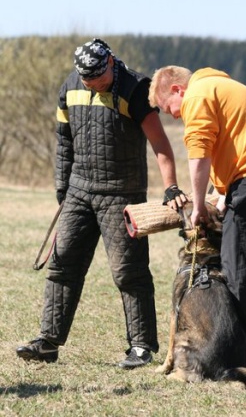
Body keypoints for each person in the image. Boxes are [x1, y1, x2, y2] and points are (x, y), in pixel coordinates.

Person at [16, 39, 187, 369]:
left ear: (110, 62)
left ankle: (141, 346)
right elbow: (64, 142)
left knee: (128, 271)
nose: (92, 84)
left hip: (121, 193)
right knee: (63, 264)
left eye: (97, 78)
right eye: (86, 80)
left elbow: (160, 143)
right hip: (79, 191)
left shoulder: (136, 89)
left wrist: (171, 188)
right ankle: (48, 342)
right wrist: (62, 189)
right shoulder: (70, 86)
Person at [148, 65, 246, 382]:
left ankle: (232, 366)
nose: (171, 116)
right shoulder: (224, 88)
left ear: (176, 90)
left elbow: (199, 153)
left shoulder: (198, 94)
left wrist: (198, 205)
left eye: (167, 108)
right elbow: (238, 147)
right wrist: (223, 193)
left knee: (238, 277)